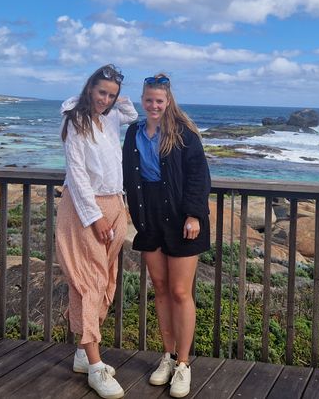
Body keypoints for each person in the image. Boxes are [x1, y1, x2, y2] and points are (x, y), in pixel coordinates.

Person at [122, 74, 211, 398]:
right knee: (159, 288)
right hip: (149, 217)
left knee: (179, 291)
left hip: (181, 217)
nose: (154, 105)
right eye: (149, 100)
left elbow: (199, 176)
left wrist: (194, 214)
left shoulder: (183, 133)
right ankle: (168, 356)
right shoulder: (134, 131)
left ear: (168, 101)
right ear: (142, 100)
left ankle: (184, 364)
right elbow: (129, 172)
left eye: (160, 100)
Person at [56, 64, 137, 399]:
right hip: (84, 209)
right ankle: (95, 365)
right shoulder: (74, 120)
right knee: (88, 281)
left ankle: (81, 351)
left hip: (115, 204)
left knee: (105, 279)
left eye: (111, 94)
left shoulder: (112, 117)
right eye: (101, 91)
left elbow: (131, 113)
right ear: (89, 87)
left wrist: (119, 98)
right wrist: (94, 218)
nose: (105, 99)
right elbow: (75, 173)